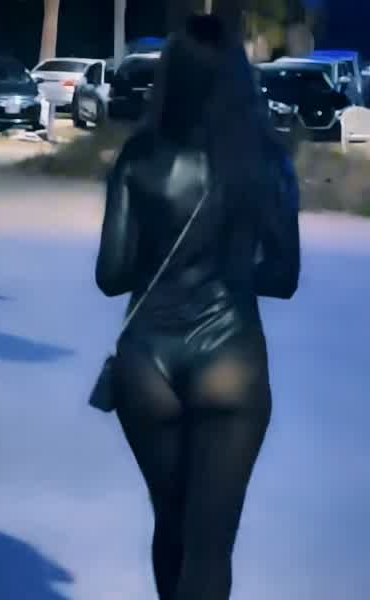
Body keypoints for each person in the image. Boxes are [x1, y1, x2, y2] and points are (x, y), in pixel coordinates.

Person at [95, 13, 300, 600]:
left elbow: (110, 276)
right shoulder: (267, 161)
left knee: (171, 524)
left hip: (147, 364)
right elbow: (283, 277)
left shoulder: (139, 157)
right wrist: (228, 271)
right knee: (209, 546)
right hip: (230, 358)